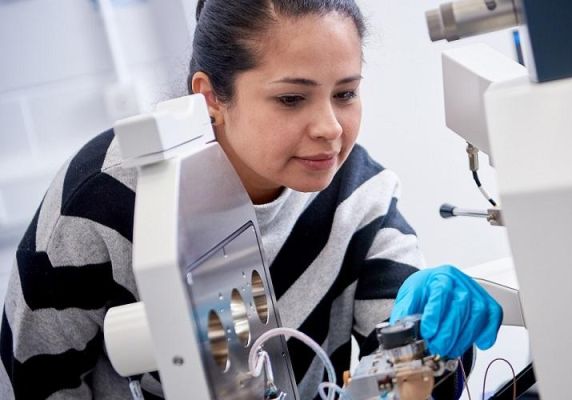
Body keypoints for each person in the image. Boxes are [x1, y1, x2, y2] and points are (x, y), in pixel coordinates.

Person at [0, 0, 502, 399]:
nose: (330, 129)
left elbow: (410, 378)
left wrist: (438, 346)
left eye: (345, 93)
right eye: (291, 98)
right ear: (210, 97)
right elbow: (32, 381)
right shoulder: (99, 201)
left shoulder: (358, 197)